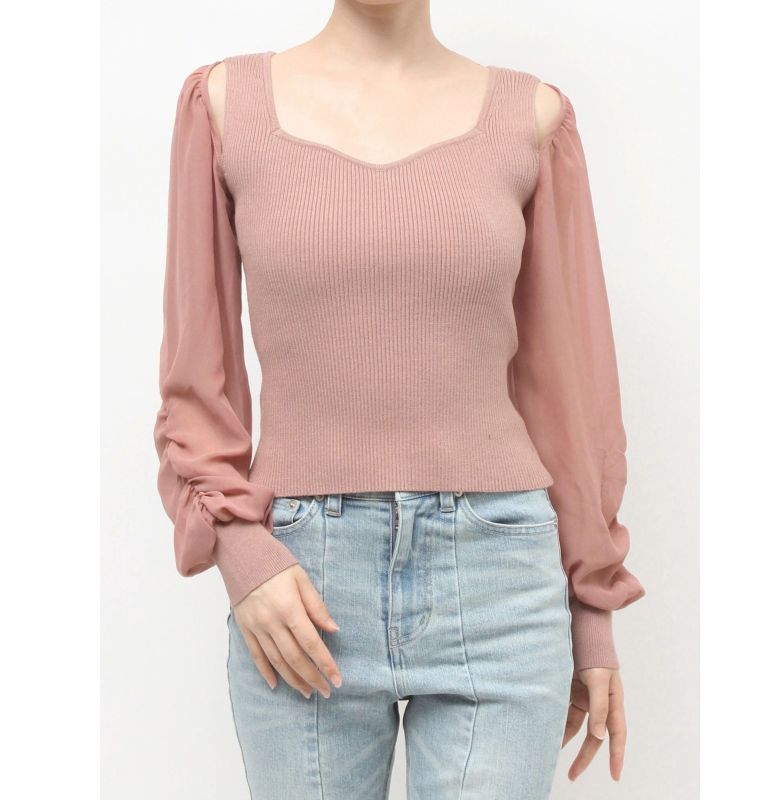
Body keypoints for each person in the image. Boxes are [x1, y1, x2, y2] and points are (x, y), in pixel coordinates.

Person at [153, 4, 645, 799]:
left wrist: (592, 608)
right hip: (298, 585)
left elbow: (568, 387)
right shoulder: (224, 106)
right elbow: (194, 372)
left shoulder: (531, 116)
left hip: (500, 581)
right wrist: (241, 553)